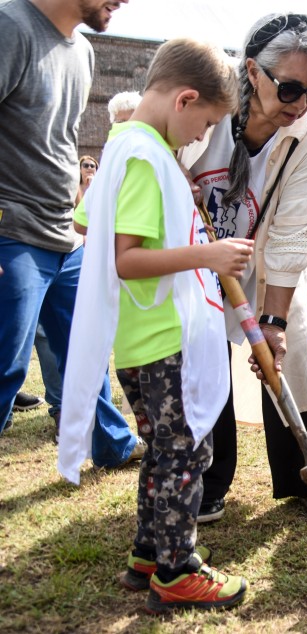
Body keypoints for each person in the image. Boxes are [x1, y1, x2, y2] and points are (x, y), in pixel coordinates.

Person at [58, 37, 249, 613]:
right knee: (185, 453)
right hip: (164, 338)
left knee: (163, 450)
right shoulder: (146, 156)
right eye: (206, 124)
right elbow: (126, 259)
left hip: (138, 338)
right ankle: (176, 570)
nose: (200, 138)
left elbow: (89, 223)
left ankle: (149, 552)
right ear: (185, 99)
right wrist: (208, 255)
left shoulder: (123, 143)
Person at [181, 12, 307, 525]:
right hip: (199, 256)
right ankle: (208, 478)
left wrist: (273, 321)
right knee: (204, 356)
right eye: (290, 88)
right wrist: (176, 181)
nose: (301, 103)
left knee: (291, 356)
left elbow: (293, 232)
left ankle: (305, 475)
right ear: (252, 71)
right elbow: (164, 151)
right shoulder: (210, 94)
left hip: (268, 260)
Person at [0, 0, 145, 468]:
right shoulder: (9, 27)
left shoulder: (82, 51)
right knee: (6, 365)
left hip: (63, 234)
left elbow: (57, 141)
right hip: (11, 231)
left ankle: (112, 444)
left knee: (87, 347)